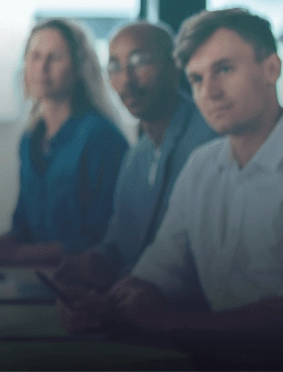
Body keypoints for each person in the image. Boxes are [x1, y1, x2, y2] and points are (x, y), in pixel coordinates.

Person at [69, 9, 283, 365]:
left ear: (271, 68)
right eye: (196, 79)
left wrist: (162, 322)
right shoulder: (202, 166)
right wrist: (112, 303)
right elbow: (160, 270)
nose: (209, 91)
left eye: (224, 69)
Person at [54, 22, 217, 305]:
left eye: (140, 62)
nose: (126, 79)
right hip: (132, 308)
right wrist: (93, 264)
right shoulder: (136, 157)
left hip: (190, 319)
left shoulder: (210, 142)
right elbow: (117, 246)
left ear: (174, 65)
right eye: (115, 67)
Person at [0, 18, 128, 264]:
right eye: (35, 56)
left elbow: (104, 239)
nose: (42, 67)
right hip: (35, 279)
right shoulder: (30, 140)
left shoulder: (101, 137)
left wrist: (15, 254)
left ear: (79, 68)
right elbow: (24, 232)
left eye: (54, 57)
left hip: (84, 286)